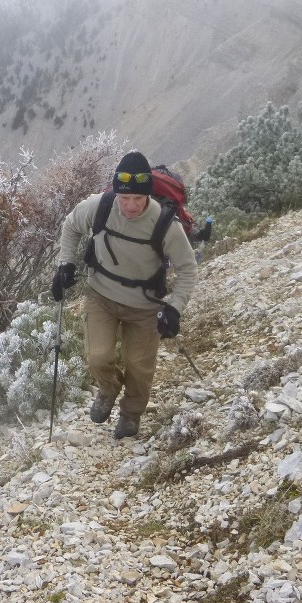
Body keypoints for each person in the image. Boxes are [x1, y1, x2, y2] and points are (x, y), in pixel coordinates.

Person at [52, 151, 198, 439]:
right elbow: (70, 225)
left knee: (139, 367)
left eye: (138, 199)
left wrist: (175, 307)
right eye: (124, 198)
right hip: (101, 296)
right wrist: (65, 264)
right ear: (116, 192)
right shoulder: (100, 207)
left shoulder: (166, 224)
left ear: (148, 196)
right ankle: (108, 387)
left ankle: (131, 414)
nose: (130, 206)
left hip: (145, 305)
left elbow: (187, 269)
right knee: (97, 357)